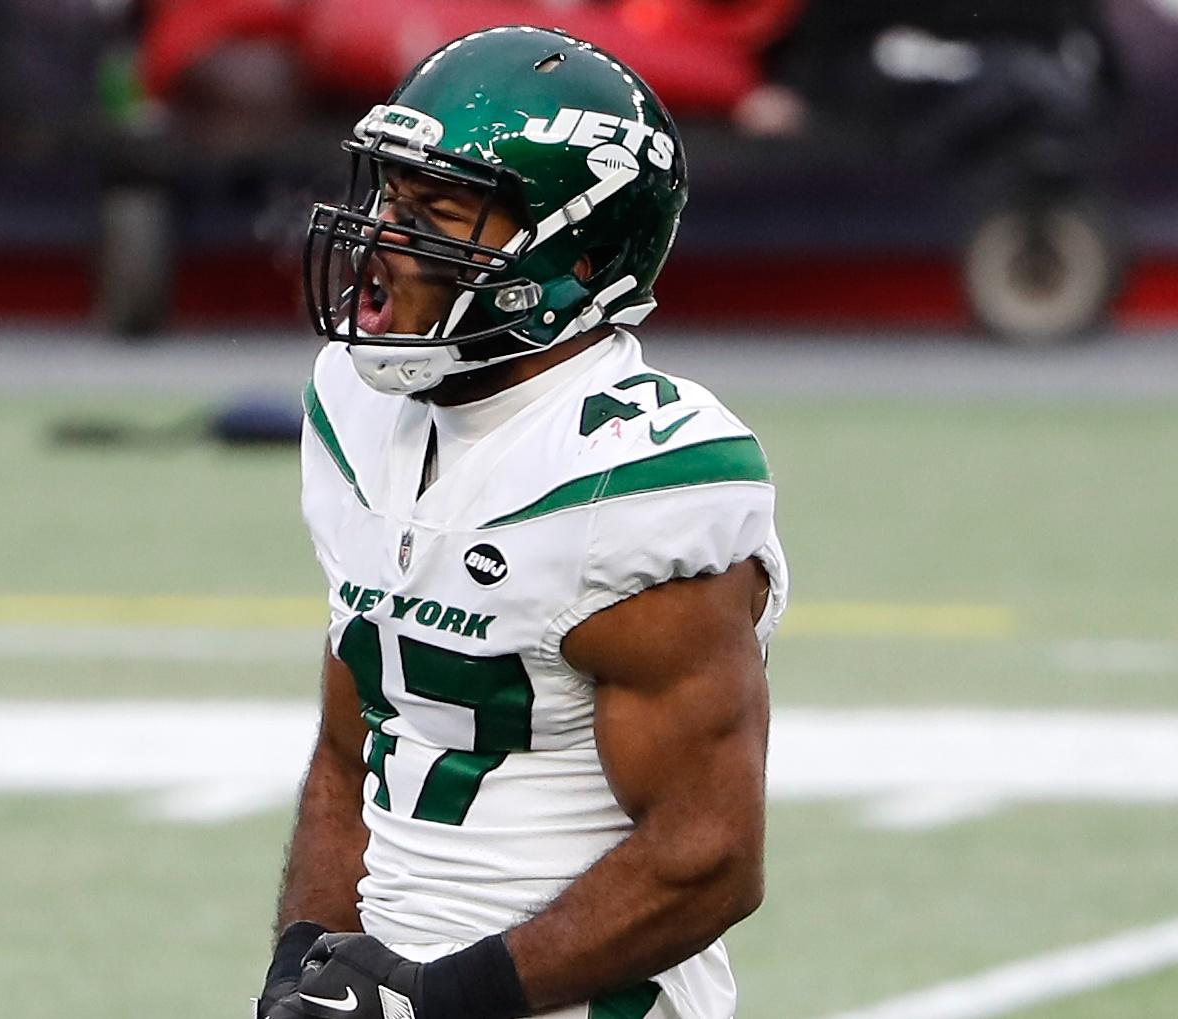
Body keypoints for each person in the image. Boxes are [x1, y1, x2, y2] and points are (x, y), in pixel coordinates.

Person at [262, 26, 790, 1019]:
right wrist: (301, 962)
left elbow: (706, 855)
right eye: (386, 195)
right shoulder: (355, 408)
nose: (381, 239)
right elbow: (354, 743)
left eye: (438, 211)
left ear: (577, 254)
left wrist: (437, 999)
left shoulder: (635, 474)